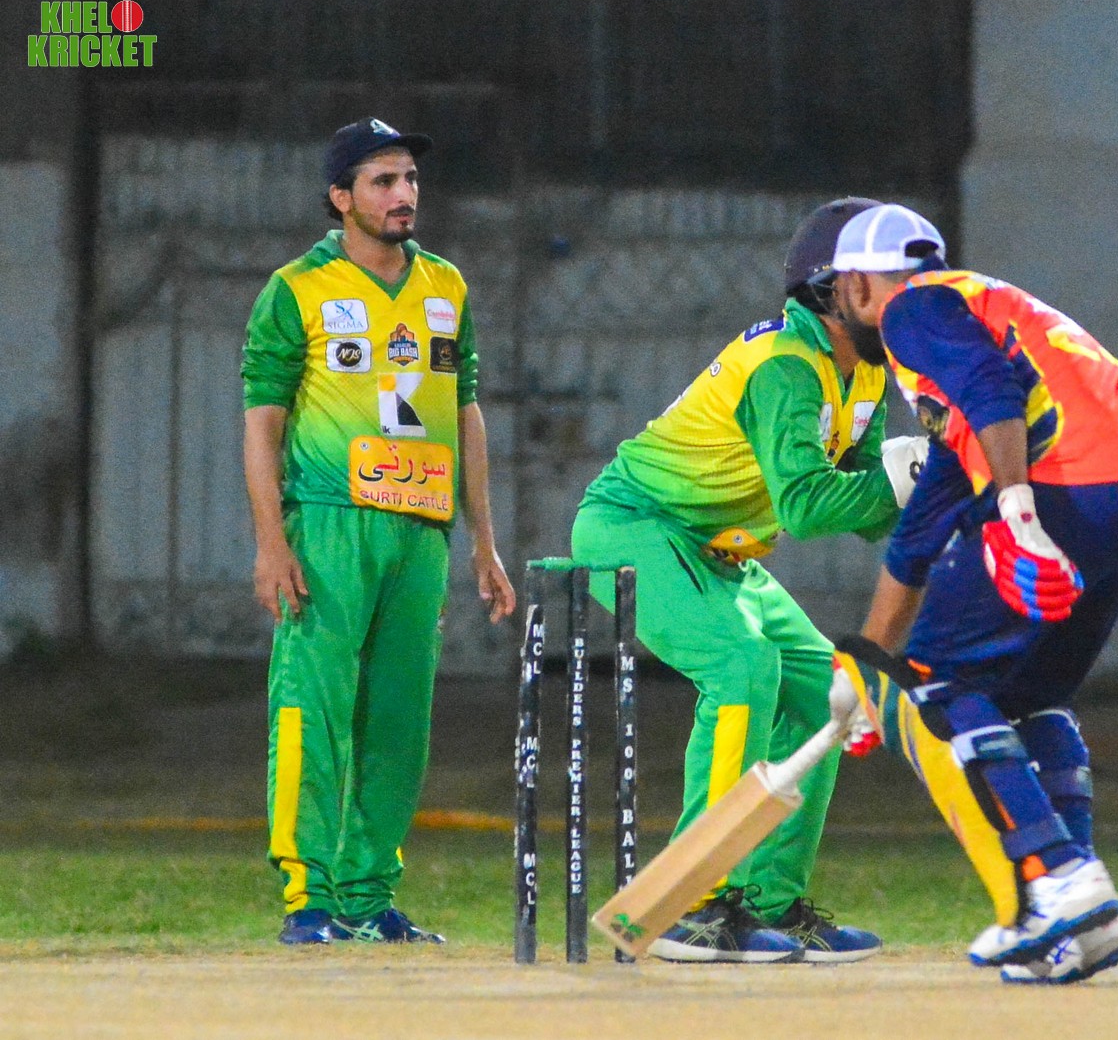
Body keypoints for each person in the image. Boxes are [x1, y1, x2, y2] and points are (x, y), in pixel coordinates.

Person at [825, 203, 1118, 984]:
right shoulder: (981, 312)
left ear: (856, 285)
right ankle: (1083, 918)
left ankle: (1053, 877)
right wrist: (861, 670)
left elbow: (993, 393)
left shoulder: (913, 310)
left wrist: (1017, 510)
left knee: (941, 683)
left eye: (838, 293)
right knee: (1027, 696)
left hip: (1066, 483)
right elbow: (919, 537)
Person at [570, 198, 927, 963]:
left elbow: (866, 504)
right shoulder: (786, 365)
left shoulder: (865, 372)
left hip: (719, 551)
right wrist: (909, 483)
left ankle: (770, 901)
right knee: (741, 664)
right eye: (893, 281)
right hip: (637, 524)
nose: (911, 299)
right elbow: (807, 505)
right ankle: (692, 902)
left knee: (823, 688)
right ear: (836, 288)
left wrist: (938, 495)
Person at [241, 117, 516, 946]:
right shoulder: (297, 288)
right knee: (314, 708)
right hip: (330, 521)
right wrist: (271, 542)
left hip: (422, 529)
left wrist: (484, 540)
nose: (404, 194)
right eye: (383, 181)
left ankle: (367, 896)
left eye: (410, 179)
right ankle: (308, 897)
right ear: (341, 197)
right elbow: (261, 422)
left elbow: (465, 411)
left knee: (399, 721)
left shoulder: (446, 285)